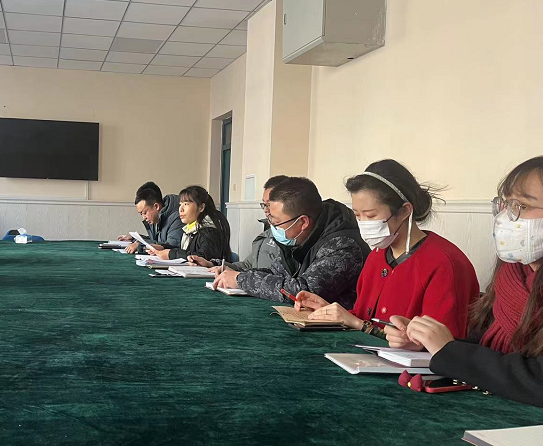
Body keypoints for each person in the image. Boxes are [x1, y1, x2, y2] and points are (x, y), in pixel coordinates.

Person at [395, 156, 543, 408]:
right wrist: (427, 342)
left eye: (522, 205)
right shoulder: (512, 273)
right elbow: (483, 342)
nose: (507, 216)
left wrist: (450, 351)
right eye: (506, 204)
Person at [294, 160, 480, 340]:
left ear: (405, 211)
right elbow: (364, 317)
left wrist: (358, 324)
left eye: (370, 215)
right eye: (357, 215)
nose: (363, 223)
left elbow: (445, 347)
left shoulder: (445, 264)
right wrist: (329, 312)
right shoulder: (377, 257)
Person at [214, 177, 369, 308]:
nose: (273, 228)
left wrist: (242, 280)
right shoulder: (301, 236)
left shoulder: (344, 245)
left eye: (277, 223)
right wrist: (236, 274)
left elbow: (303, 292)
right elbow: (277, 272)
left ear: (303, 222)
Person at [189, 175, 287, 271]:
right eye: (264, 204)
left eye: (269, 204)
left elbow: (277, 279)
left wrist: (240, 278)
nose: (265, 209)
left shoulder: (291, 242)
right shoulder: (265, 237)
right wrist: (212, 264)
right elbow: (247, 265)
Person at [146, 185, 233, 262]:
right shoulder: (192, 228)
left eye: (186, 204)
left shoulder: (209, 231)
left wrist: (171, 254)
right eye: (180, 204)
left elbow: (203, 258)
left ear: (201, 207)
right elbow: (188, 252)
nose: (181, 209)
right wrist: (163, 248)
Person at [118, 182, 183, 254]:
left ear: (156, 206)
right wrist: (135, 239)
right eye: (141, 214)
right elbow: (157, 240)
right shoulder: (157, 216)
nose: (144, 218)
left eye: (145, 213)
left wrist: (140, 245)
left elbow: (171, 246)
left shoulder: (177, 217)